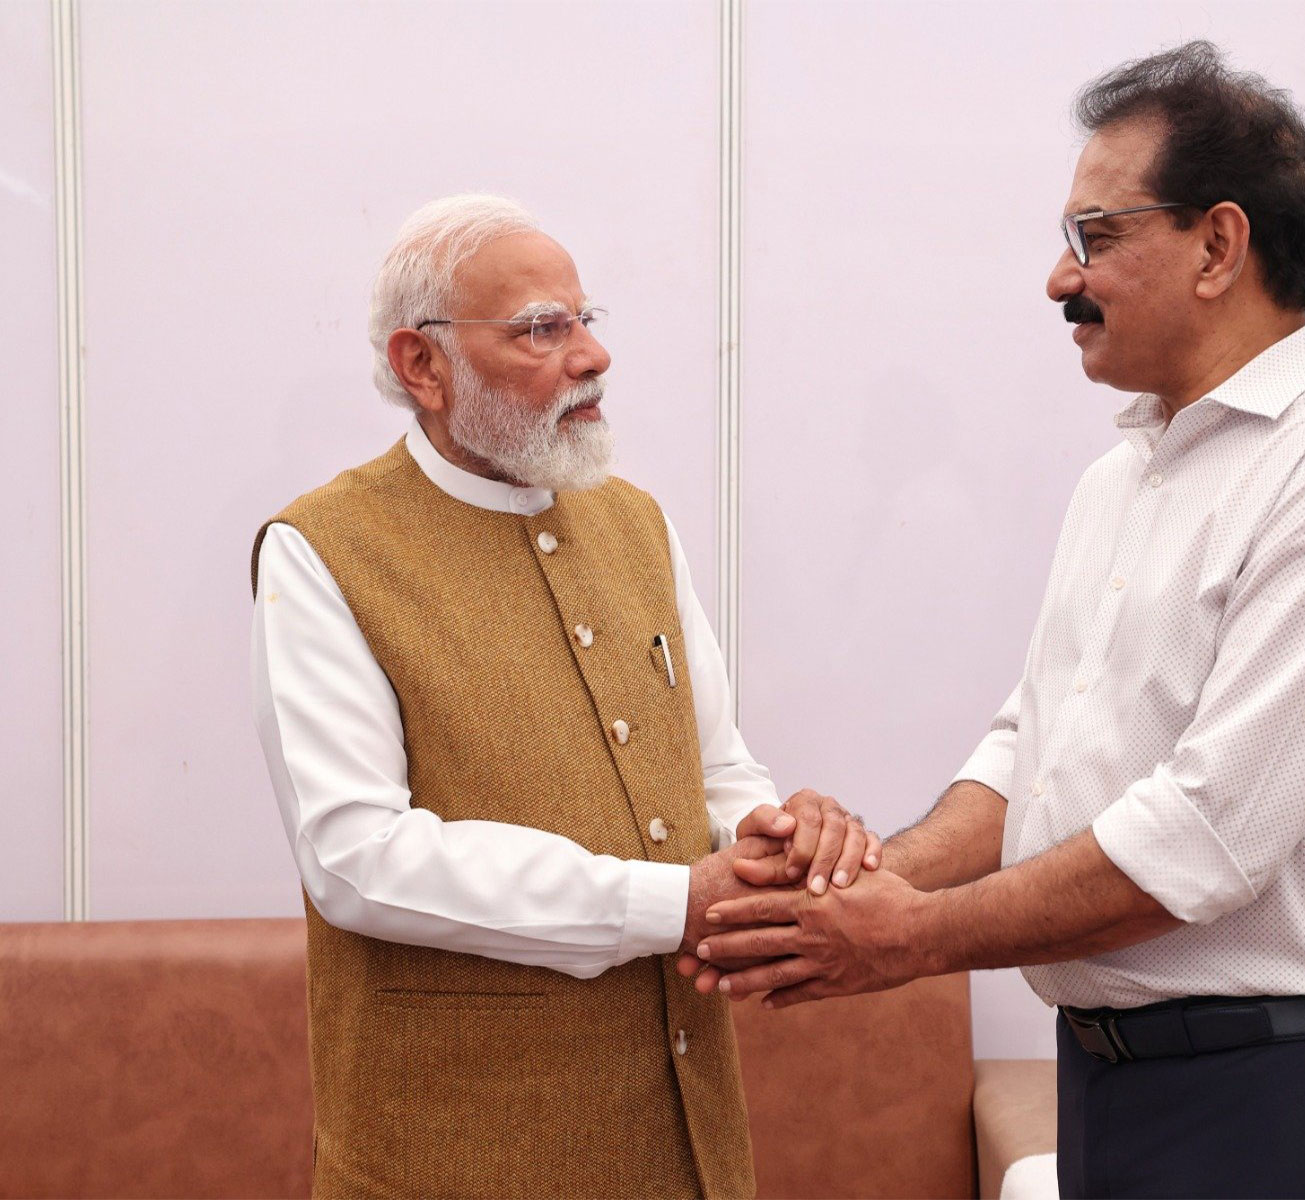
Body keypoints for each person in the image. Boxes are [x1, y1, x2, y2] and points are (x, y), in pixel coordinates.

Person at [686, 42, 1305, 1199]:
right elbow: (1029, 751)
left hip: (1267, 1101)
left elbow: (1206, 836)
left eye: (1095, 237)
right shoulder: (1123, 477)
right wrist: (868, 881)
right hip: (1111, 1080)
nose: (1061, 279)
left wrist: (905, 938)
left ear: (1218, 246)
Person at [250, 194, 878, 1199]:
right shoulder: (324, 550)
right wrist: (668, 903)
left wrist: (772, 832)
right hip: (452, 1155)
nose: (592, 356)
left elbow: (712, 763)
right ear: (422, 366)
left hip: (683, 1139)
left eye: (588, 320)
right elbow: (357, 857)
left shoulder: (634, 522)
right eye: (545, 328)